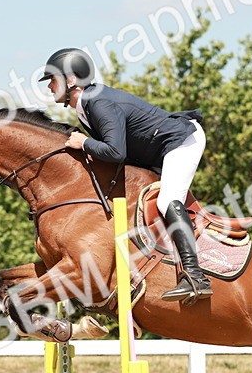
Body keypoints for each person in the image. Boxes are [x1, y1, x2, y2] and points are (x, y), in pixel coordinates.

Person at [39, 47, 212, 304]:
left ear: (71, 80)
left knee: (167, 200)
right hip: (153, 152)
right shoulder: (85, 106)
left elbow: (115, 151)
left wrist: (84, 143)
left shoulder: (98, 102)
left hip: (181, 142)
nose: (50, 86)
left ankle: (195, 277)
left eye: (53, 79)